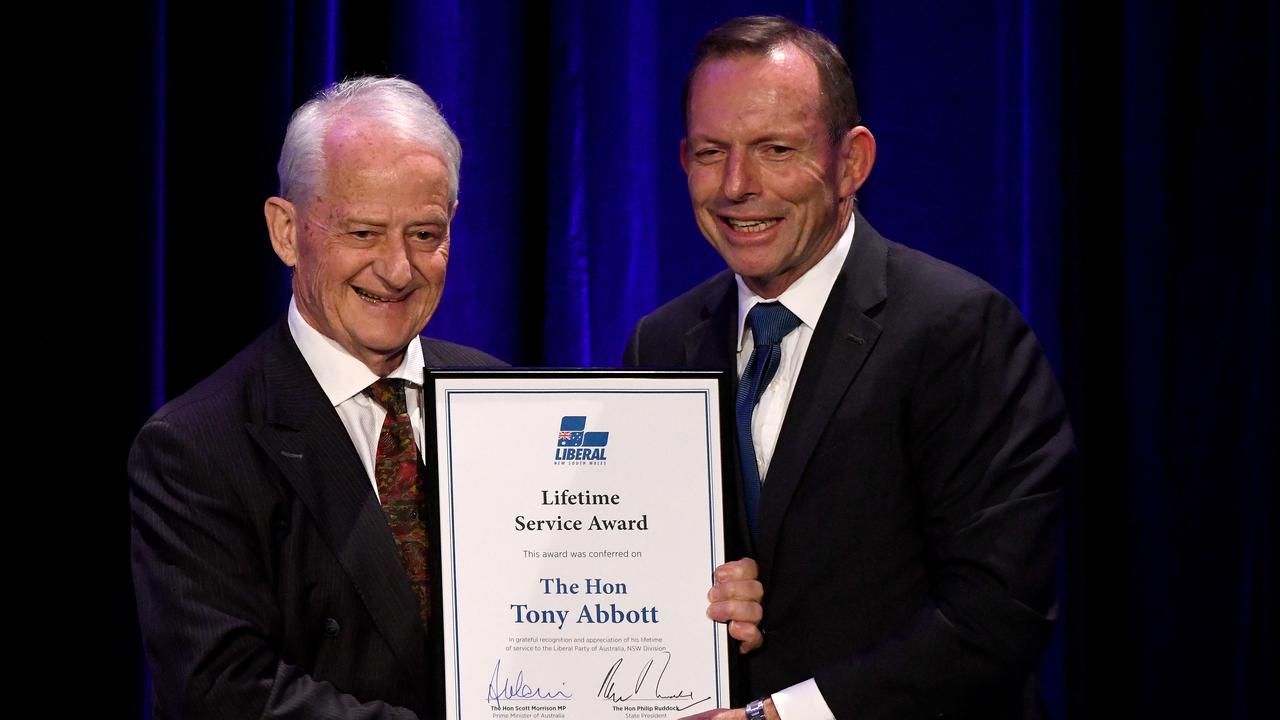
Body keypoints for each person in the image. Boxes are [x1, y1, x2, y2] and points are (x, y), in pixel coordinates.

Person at [624, 17, 1074, 720]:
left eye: (775, 149)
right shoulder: (663, 344)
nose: (738, 185)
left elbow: (995, 617)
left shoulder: (960, 331)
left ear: (852, 162)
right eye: (713, 152)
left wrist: (781, 718)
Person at [130, 76, 500, 719]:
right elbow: (224, 693)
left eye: (423, 234)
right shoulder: (195, 446)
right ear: (285, 231)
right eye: (362, 233)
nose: (396, 269)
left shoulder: (500, 401)